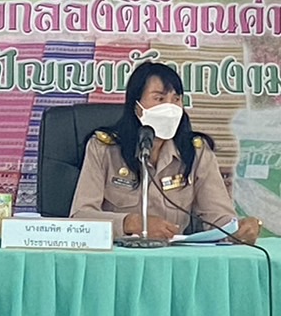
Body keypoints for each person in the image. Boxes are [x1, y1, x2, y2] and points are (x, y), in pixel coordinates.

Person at [69, 61, 260, 244]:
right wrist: (129, 223)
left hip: (173, 257)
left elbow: (219, 218)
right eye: (159, 99)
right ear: (137, 107)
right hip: (119, 256)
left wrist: (238, 230)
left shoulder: (195, 152)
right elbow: (80, 218)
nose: (170, 108)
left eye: (176, 99)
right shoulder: (103, 148)